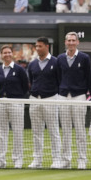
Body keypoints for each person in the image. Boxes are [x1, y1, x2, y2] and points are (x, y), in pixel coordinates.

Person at [57, 32, 91, 169]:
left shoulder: (84, 58)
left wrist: (86, 93)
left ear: (77, 42)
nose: (71, 43)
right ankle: (66, 160)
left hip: (79, 96)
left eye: (73, 40)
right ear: (65, 42)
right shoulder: (60, 58)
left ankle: (81, 160)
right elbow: (58, 77)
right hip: (63, 96)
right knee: (65, 130)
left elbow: (88, 77)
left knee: (80, 130)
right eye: (69, 40)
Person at [28, 37, 64, 169]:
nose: (38, 48)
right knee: (36, 131)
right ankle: (37, 159)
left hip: (51, 98)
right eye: (36, 46)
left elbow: (59, 80)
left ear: (47, 47)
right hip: (35, 99)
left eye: (40, 46)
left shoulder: (56, 62)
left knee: (53, 130)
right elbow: (31, 80)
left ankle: (57, 159)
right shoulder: (32, 64)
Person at [0, 44, 31, 168]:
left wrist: (17, 97)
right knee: (1, 132)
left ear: (12, 54)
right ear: (1, 55)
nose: (7, 55)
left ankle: (17, 160)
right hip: (1, 104)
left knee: (17, 132)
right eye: (4, 53)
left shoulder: (19, 70)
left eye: (9, 52)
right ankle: (1, 160)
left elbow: (25, 86)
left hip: (16, 102)